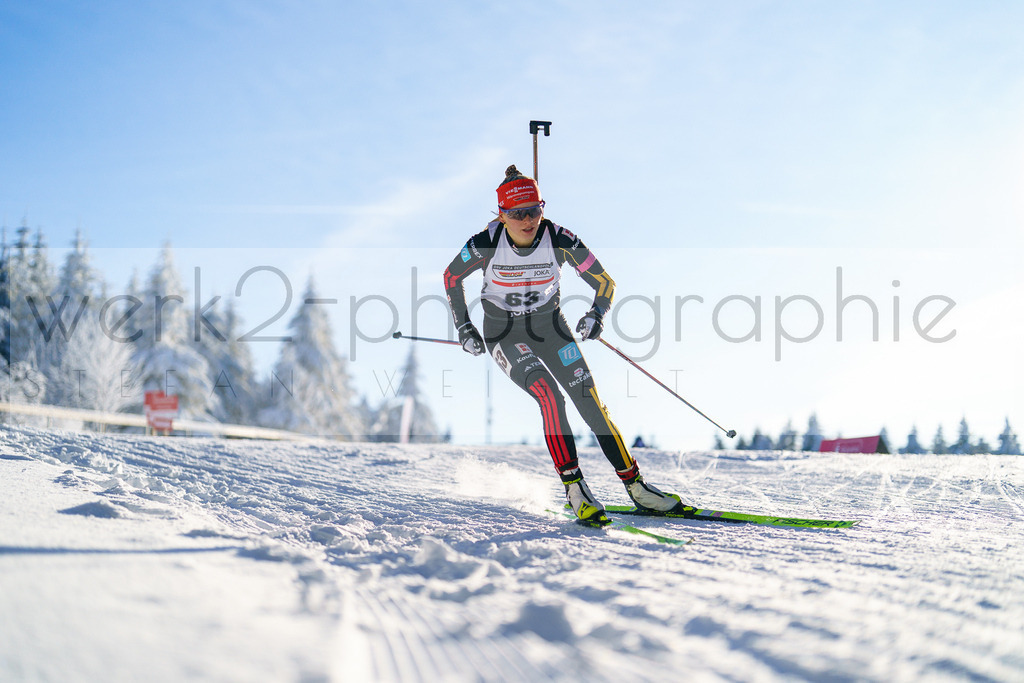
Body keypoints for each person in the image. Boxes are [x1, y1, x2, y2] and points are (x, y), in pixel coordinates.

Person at [443, 164, 685, 526]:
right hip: (504, 334)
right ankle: (575, 488)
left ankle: (637, 487)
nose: (528, 221)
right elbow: (451, 276)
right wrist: (464, 326)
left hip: (551, 327)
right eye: (518, 214)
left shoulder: (561, 239)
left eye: (535, 210)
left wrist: (596, 314)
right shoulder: (484, 243)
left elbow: (605, 282)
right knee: (549, 394)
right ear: (502, 215)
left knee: (589, 399)